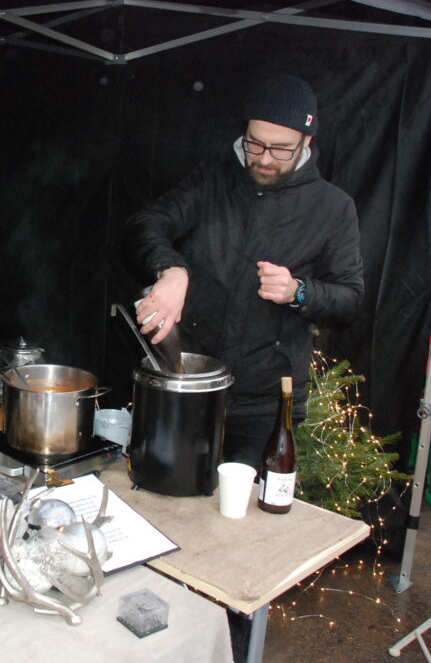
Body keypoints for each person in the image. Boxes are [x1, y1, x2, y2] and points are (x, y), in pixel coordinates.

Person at [125, 75, 364, 467]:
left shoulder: (333, 207)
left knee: (244, 505)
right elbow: (144, 225)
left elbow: (350, 300)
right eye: (255, 143)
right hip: (191, 384)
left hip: (265, 405)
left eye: (281, 149)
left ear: (307, 142)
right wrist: (172, 270)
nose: (265, 159)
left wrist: (299, 291)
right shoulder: (212, 180)